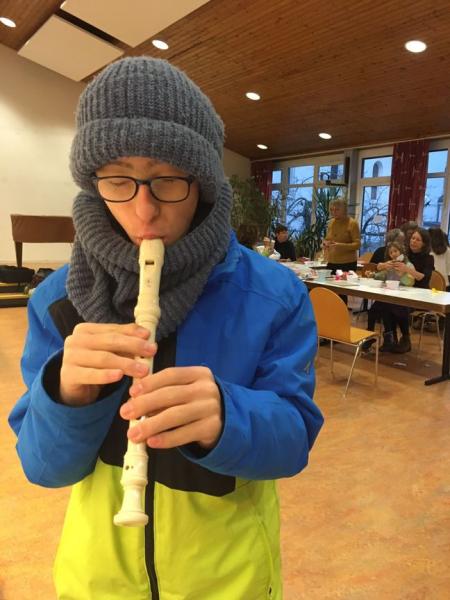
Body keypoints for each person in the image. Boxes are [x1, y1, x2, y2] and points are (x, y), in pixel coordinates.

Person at [8, 57, 323, 600]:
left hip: (228, 582)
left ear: (201, 183)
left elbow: (294, 442)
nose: (144, 210)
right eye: (118, 180)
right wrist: (64, 395)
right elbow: (42, 468)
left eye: (167, 180)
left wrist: (230, 417)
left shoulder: (274, 294)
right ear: (94, 183)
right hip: (98, 581)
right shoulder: (58, 299)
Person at [377, 228, 434, 353]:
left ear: (424, 243)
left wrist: (407, 269)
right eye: (413, 238)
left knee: (398, 305)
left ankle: (405, 339)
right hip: (402, 290)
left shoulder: (428, 258)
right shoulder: (404, 253)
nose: (414, 241)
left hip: (420, 293)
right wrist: (383, 265)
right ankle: (390, 338)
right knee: (384, 302)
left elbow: (423, 277)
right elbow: (387, 265)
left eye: (418, 240)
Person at [323, 198, 360, 273]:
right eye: (331, 210)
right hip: (332, 262)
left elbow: (357, 245)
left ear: (344, 210)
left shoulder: (352, 223)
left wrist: (340, 246)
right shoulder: (331, 223)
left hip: (347, 263)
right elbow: (328, 239)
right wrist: (325, 243)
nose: (333, 212)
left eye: (337, 210)